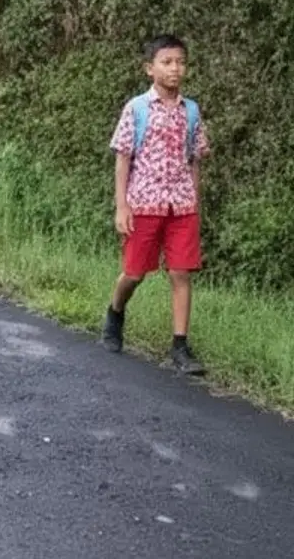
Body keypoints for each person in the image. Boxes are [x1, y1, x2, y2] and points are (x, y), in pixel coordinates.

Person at [102, 34, 211, 375]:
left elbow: (194, 160)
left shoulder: (191, 111)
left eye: (180, 62)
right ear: (150, 69)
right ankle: (115, 313)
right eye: (167, 62)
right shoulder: (136, 109)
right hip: (144, 203)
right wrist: (122, 206)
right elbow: (123, 158)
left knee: (181, 272)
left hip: (181, 206)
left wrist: (195, 202)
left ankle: (180, 345)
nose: (175, 69)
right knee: (134, 273)